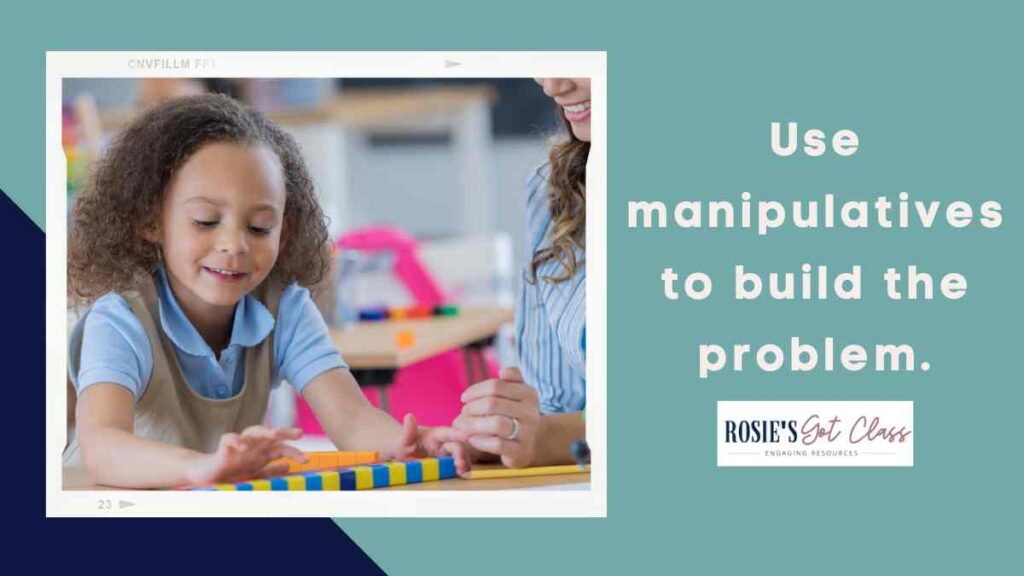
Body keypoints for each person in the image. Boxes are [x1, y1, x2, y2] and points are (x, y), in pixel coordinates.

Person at [66, 94, 467, 488]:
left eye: (259, 227)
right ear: (151, 220)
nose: (235, 245)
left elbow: (351, 419)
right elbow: (103, 449)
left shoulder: (285, 308)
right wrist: (200, 467)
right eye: (205, 221)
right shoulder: (119, 321)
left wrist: (409, 442)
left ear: (284, 230)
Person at [455, 78, 590, 467]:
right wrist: (499, 431)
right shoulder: (553, 192)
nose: (554, 86)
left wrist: (552, 439)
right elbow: (555, 404)